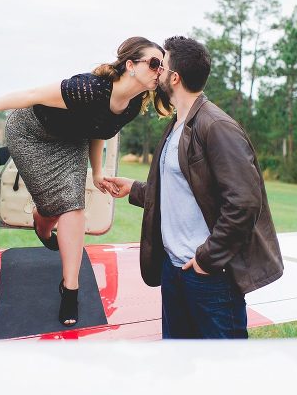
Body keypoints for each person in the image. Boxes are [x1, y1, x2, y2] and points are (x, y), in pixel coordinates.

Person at [0, 37, 169, 327]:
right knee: (51, 207)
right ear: (130, 65)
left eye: (163, 65)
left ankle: (70, 289)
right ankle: (41, 221)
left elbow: (99, 130)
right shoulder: (88, 88)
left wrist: (96, 172)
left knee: (72, 207)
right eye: (155, 63)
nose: (160, 70)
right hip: (31, 133)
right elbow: (32, 94)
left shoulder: (131, 105)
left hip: (71, 142)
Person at [105, 36, 284, 339]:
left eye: (161, 65)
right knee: (179, 370)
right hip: (175, 271)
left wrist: (206, 259)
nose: (156, 71)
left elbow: (244, 202)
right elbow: (183, 192)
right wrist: (134, 188)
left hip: (210, 277)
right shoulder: (179, 123)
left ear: (174, 78)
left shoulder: (216, 125)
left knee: (221, 372)